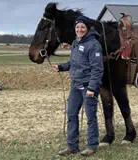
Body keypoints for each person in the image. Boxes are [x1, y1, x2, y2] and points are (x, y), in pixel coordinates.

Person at [52, 15, 104, 157]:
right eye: (77, 27)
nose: (80, 29)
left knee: (90, 116)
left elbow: (97, 69)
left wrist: (92, 88)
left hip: (88, 86)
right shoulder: (75, 42)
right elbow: (74, 62)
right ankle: (72, 146)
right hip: (76, 85)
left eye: (82, 27)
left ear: (87, 29)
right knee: (71, 114)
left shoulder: (93, 45)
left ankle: (92, 145)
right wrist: (62, 67)